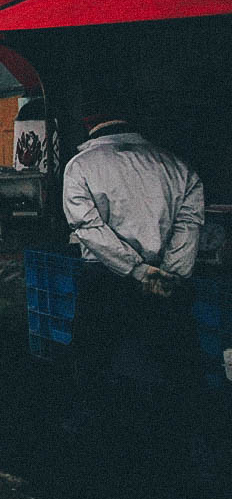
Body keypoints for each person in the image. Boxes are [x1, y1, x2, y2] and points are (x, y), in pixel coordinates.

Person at [61, 102, 205, 429]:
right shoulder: (177, 166)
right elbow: (189, 224)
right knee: (167, 364)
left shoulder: (81, 166)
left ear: (87, 123)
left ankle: (96, 436)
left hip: (105, 277)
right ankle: (170, 434)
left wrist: (138, 271)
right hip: (166, 280)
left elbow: (88, 228)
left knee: (95, 360)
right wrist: (170, 274)